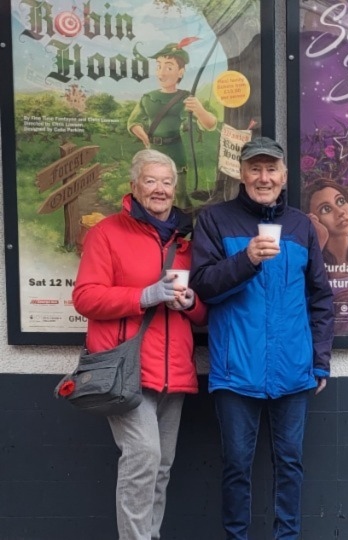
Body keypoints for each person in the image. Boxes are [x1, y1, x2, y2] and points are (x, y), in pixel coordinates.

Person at [190, 136, 335, 539]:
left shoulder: (301, 225)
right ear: (242, 173)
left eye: (271, 169)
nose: (263, 177)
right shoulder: (216, 220)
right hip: (236, 369)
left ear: (284, 175)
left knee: (290, 464)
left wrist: (320, 359)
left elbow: (321, 297)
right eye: (255, 168)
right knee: (237, 464)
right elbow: (203, 287)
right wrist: (247, 259)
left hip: (293, 368)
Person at [72, 149, 207, 540]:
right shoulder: (107, 232)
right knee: (142, 458)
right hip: (126, 370)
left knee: (161, 466)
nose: (160, 190)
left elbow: (203, 313)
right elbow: (85, 297)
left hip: (174, 371)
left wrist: (192, 303)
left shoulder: (185, 240)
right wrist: (143, 296)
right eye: (151, 181)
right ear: (134, 187)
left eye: (167, 182)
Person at [128, 38, 217, 212]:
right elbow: (133, 122)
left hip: (175, 149)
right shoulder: (148, 97)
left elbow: (210, 124)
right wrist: (145, 137)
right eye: (159, 66)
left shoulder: (185, 97)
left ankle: (183, 230)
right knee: (149, 192)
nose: (162, 72)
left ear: (180, 72)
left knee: (180, 193)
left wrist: (199, 110)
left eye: (169, 67)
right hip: (153, 151)